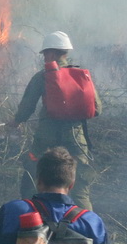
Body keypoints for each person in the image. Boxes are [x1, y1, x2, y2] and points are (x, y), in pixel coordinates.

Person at [6, 31, 101, 210]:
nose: (44, 58)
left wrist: (16, 121)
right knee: (80, 190)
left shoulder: (42, 77)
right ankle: (86, 230)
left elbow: (27, 106)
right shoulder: (81, 76)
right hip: (76, 142)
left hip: (45, 141)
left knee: (32, 181)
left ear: (51, 53)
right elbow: (97, 109)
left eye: (44, 54)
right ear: (66, 52)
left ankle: (31, 225)